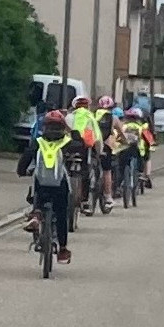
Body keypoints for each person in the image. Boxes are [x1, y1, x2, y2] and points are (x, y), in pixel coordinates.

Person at [18, 111, 84, 264]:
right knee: (61, 215)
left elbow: (26, 157)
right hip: (60, 185)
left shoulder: (38, 142)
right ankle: (62, 249)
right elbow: (80, 146)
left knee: (37, 195)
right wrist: (73, 132)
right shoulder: (67, 142)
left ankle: (36, 214)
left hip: (41, 185)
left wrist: (21, 171)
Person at [68, 96, 102, 213]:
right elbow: (97, 137)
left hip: (69, 148)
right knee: (86, 173)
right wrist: (99, 152)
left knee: (66, 170)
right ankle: (85, 201)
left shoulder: (69, 117)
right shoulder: (90, 117)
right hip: (85, 149)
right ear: (87, 106)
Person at [95, 96, 128, 208]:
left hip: (92, 145)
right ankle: (108, 196)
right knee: (107, 171)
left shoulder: (93, 115)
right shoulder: (113, 118)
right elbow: (121, 133)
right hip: (106, 146)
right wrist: (125, 141)